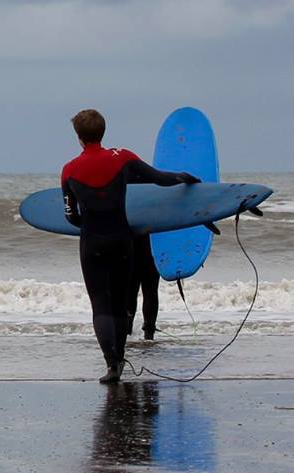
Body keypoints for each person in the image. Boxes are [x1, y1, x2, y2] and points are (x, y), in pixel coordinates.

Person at [60, 110, 198, 384]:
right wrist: (184, 177)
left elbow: (70, 215)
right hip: (122, 240)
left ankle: (112, 366)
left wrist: (87, 223)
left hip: (92, 243)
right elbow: (159, 178)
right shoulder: (122, 157)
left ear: (78, 137)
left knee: (100, 306)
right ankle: (121, 357)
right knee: (121, 304)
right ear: (103, 131)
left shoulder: (69, 170)